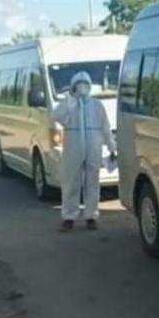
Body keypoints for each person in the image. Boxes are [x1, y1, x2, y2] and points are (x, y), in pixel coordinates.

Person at [53, 71, 116, 232]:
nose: (82, 88)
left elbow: (106, 128)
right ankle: (69, 216)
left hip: (93, 148)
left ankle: (91, 216)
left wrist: (111, 147)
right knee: (71, 182)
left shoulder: (96, 105)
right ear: (73, 87)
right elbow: (57, 116)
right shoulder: (68, 104)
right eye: (79, 85)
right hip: (73, 149)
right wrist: (71, 100)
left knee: (92, 183)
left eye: (85, 85)